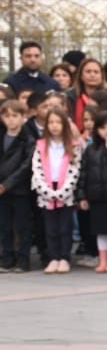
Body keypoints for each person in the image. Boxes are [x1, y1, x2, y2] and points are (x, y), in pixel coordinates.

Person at [31, 103, 79, 273]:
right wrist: (47, 191)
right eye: (51, 122)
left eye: (58, 122)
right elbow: (36, 170)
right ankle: (53, 257)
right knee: (50, 229)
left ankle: (65, 258)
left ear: (64, 124)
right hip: (46, 192)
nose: (54, 126)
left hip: (66, 191)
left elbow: (74, 170)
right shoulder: (41, 145)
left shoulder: (73, 145)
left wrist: (63, 192)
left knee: (65, 227)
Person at [77, 110, 107, 272]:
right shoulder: (91, 149)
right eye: (102, 127)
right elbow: (83, 173)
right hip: (97, 196)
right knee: (101, 231)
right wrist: (82, 196)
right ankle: (103, 260)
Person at [0, 98, 37, 270]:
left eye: (15, 116)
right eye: (7, 116)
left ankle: (23, 260)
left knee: (22, 226)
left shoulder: (28, 139)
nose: (11, 120)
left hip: (20, 190)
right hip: (2, 190)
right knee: (4, 225)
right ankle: (7, 259)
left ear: (23, 117)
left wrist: (7, 184)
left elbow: (26, 166)